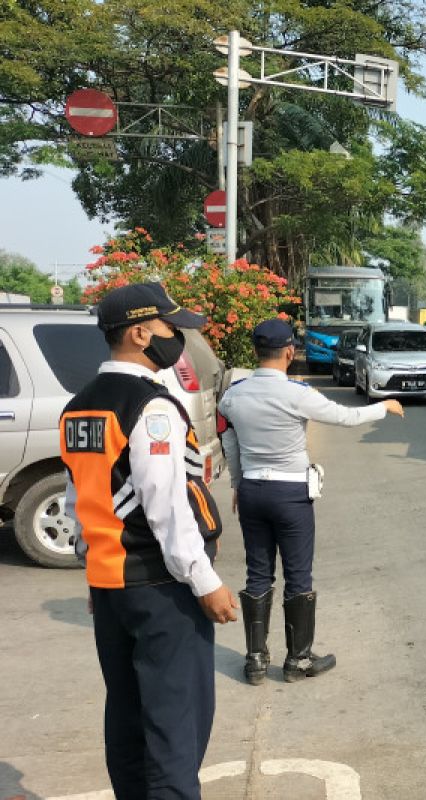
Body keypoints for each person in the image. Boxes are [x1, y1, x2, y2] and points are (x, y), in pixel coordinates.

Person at [60, 282, 238, 799]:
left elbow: (79, 503)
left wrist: (94, 574)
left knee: (128, 718)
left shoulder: (79, 406)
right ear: (139, 333)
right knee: (174, 729)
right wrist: (205, 581)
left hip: (111, 587)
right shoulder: (151, 406)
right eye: (168, 327)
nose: (175, 337)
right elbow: (166, 508)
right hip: (162, 587)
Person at [218, 319, 405, 684]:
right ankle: (297, 660)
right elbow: (346, 416)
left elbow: (231, 445)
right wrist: (384, 407)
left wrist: (238, 486)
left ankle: (255, 661)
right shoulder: (297, 394)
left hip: (253, 491)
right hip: (290, 495)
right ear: (290, 352)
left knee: (258, 573)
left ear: (257, 352)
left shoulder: (233, 395)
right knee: (298, 574)